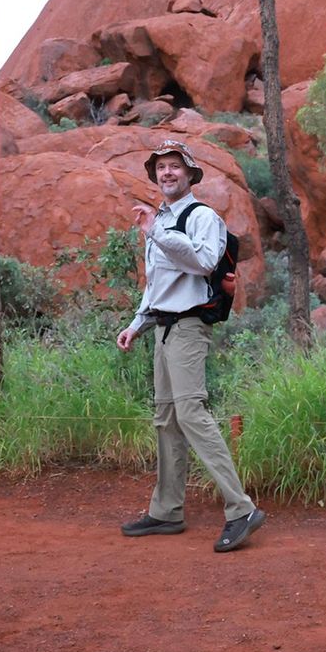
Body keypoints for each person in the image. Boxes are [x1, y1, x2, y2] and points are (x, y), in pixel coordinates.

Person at [116, 140, 266, 553]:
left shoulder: (203, 218)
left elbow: (204, 263)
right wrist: (137, 325)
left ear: (190, 175)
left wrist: (159, 232)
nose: (167, 173)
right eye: (161, 167)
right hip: (163, 329)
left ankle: (241, 509)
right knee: (166, 418)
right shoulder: (159, 221)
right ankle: (167, 511)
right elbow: (158, 285)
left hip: (188, 329)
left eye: (174, 167)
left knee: (191, 412)